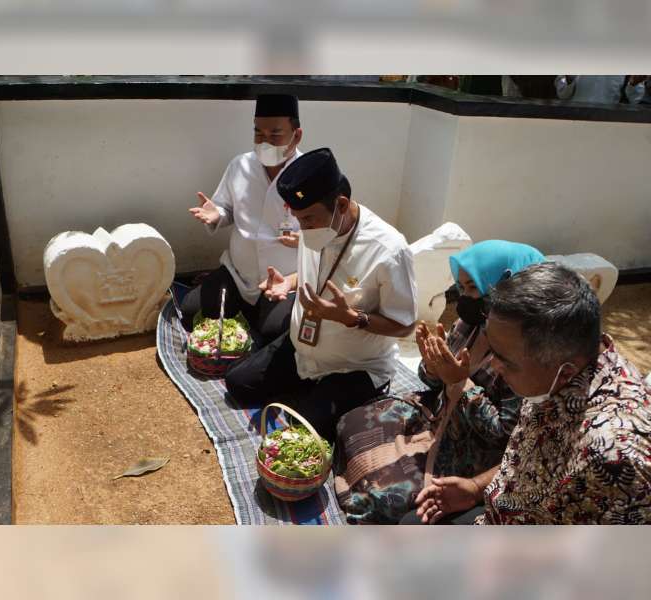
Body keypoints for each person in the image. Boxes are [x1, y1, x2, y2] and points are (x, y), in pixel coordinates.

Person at [414, 262, 651, 525]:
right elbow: (527, 457)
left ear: (564, 371)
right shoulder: (556, 373)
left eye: (504, 360)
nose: (494, 365)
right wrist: (476, 488)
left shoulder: (613, 459)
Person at [334, 240, 545, 524]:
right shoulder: (471, 323)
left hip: (473, 446)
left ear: (502, 287)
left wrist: (461, 384)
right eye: (461, 287)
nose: (464, 297)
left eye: (472, 287)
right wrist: (433, 369)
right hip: (437, 413)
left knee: (385, 493)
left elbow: (502, 433)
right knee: (352, 422)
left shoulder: (524, 356)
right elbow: (433, 381)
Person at [225, 148, 418, 442]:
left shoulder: (390, 250)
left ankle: (343, 396)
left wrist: (352, 318)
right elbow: (318, 272)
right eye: (299, 219)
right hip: (302, 348)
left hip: (353, 366)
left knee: (303, 430)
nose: (303, 228)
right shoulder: (318, 224)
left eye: (308, 220)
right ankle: (312, 390)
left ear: (341, 204)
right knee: (238, 384)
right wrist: (289, 282)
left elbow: (405, 325)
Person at [182, 94, 302, 343]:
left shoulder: (310, 173)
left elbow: (328, 230)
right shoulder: (240, 166)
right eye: (258, 133)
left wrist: (304, 238)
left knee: (273, 331)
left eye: (275, 134)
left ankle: (261, 314)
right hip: (239, 274)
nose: (265, 142)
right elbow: (225, 208)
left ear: (296, 135)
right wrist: (217, 214)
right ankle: (250, 310)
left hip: (284, 279)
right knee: (191, 310)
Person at [554, 75, 646, 105]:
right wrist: (569, 81)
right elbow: (562, 94)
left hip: (608, 123)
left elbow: (635, 99)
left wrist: (634, 84)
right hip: (575, 120)